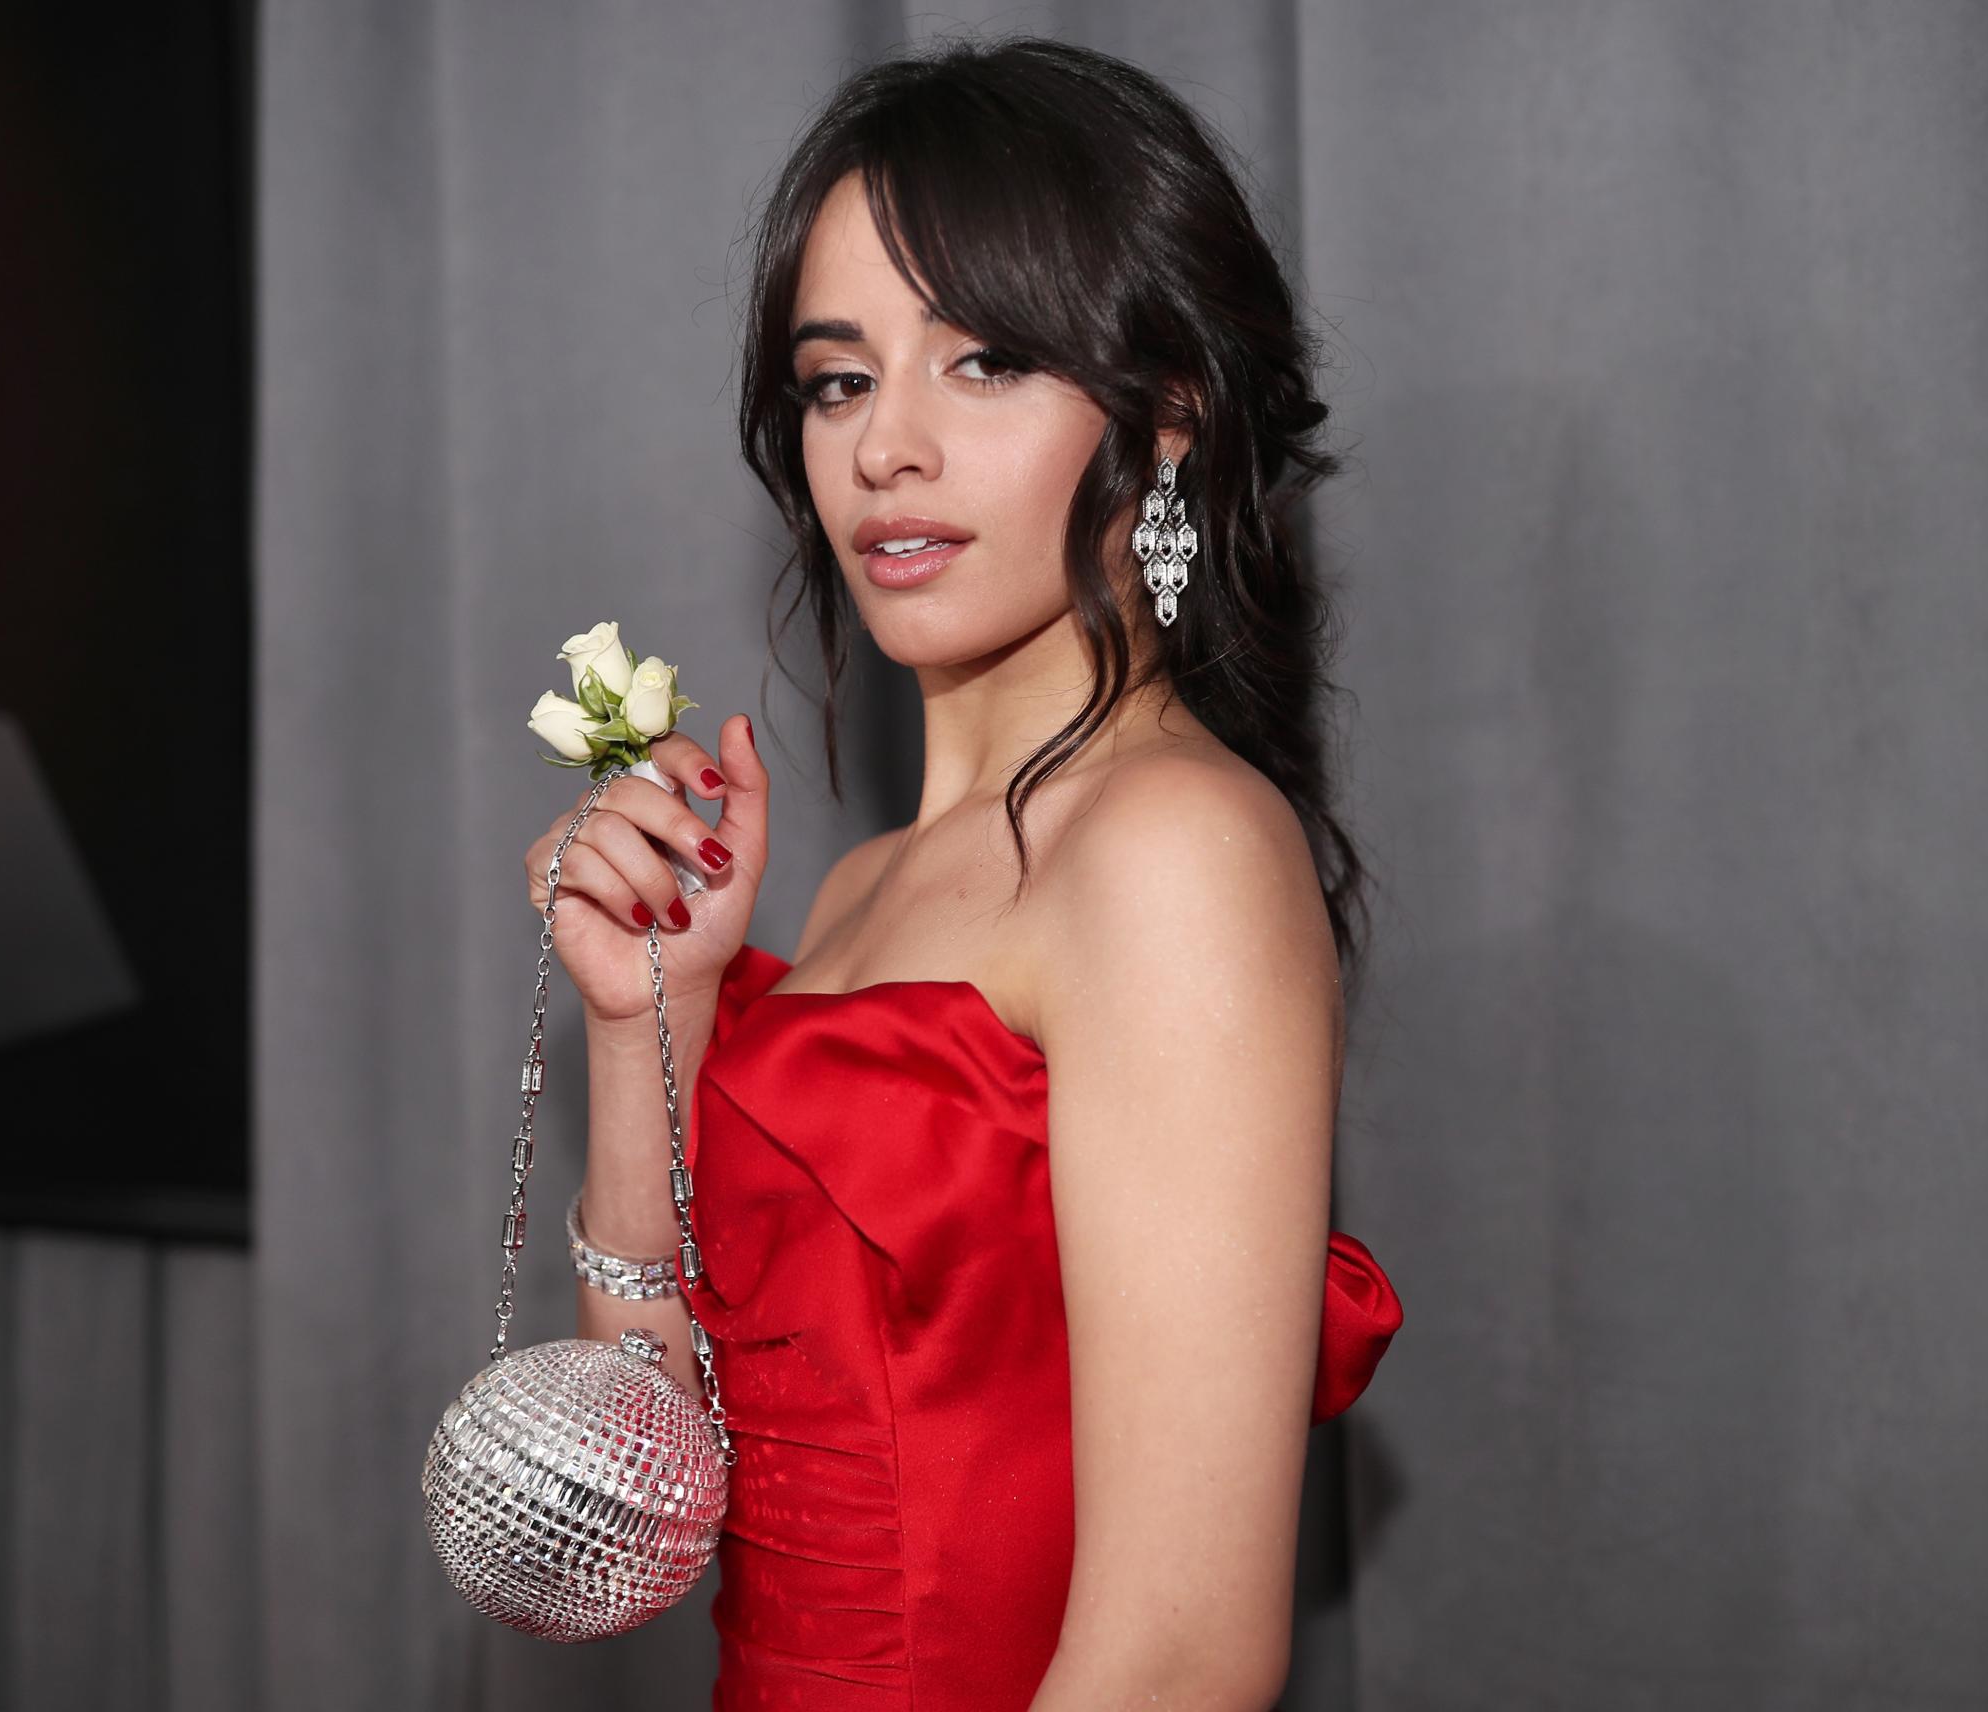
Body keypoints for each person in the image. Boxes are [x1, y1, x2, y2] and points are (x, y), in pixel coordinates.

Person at [528, 35, 1402, 1711]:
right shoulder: (861, 891)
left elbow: (1177, 1656)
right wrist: (652, 1016)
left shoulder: (1175, 851)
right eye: (840, 379)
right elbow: (639, 1516)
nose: (885, 449)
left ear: (1163, 418)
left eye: (986, 362)